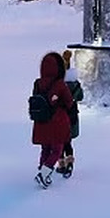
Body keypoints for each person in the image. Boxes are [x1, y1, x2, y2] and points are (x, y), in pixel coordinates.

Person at [31, 51, 74, 189]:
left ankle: (41, 169)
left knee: (45, 148)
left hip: (41, 122)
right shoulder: (60, 84)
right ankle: (44, 174)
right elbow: (69, 102)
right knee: (56, 149)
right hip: (57, 122)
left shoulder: (37, 83)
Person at [57, 49, 83, 177]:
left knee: (60, 141)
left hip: (59, 117)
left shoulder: (58, 84)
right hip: (72, 116)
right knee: (68, 142)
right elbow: (80, 96)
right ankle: (69, 162)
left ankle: (61, 164)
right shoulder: (74, 83)